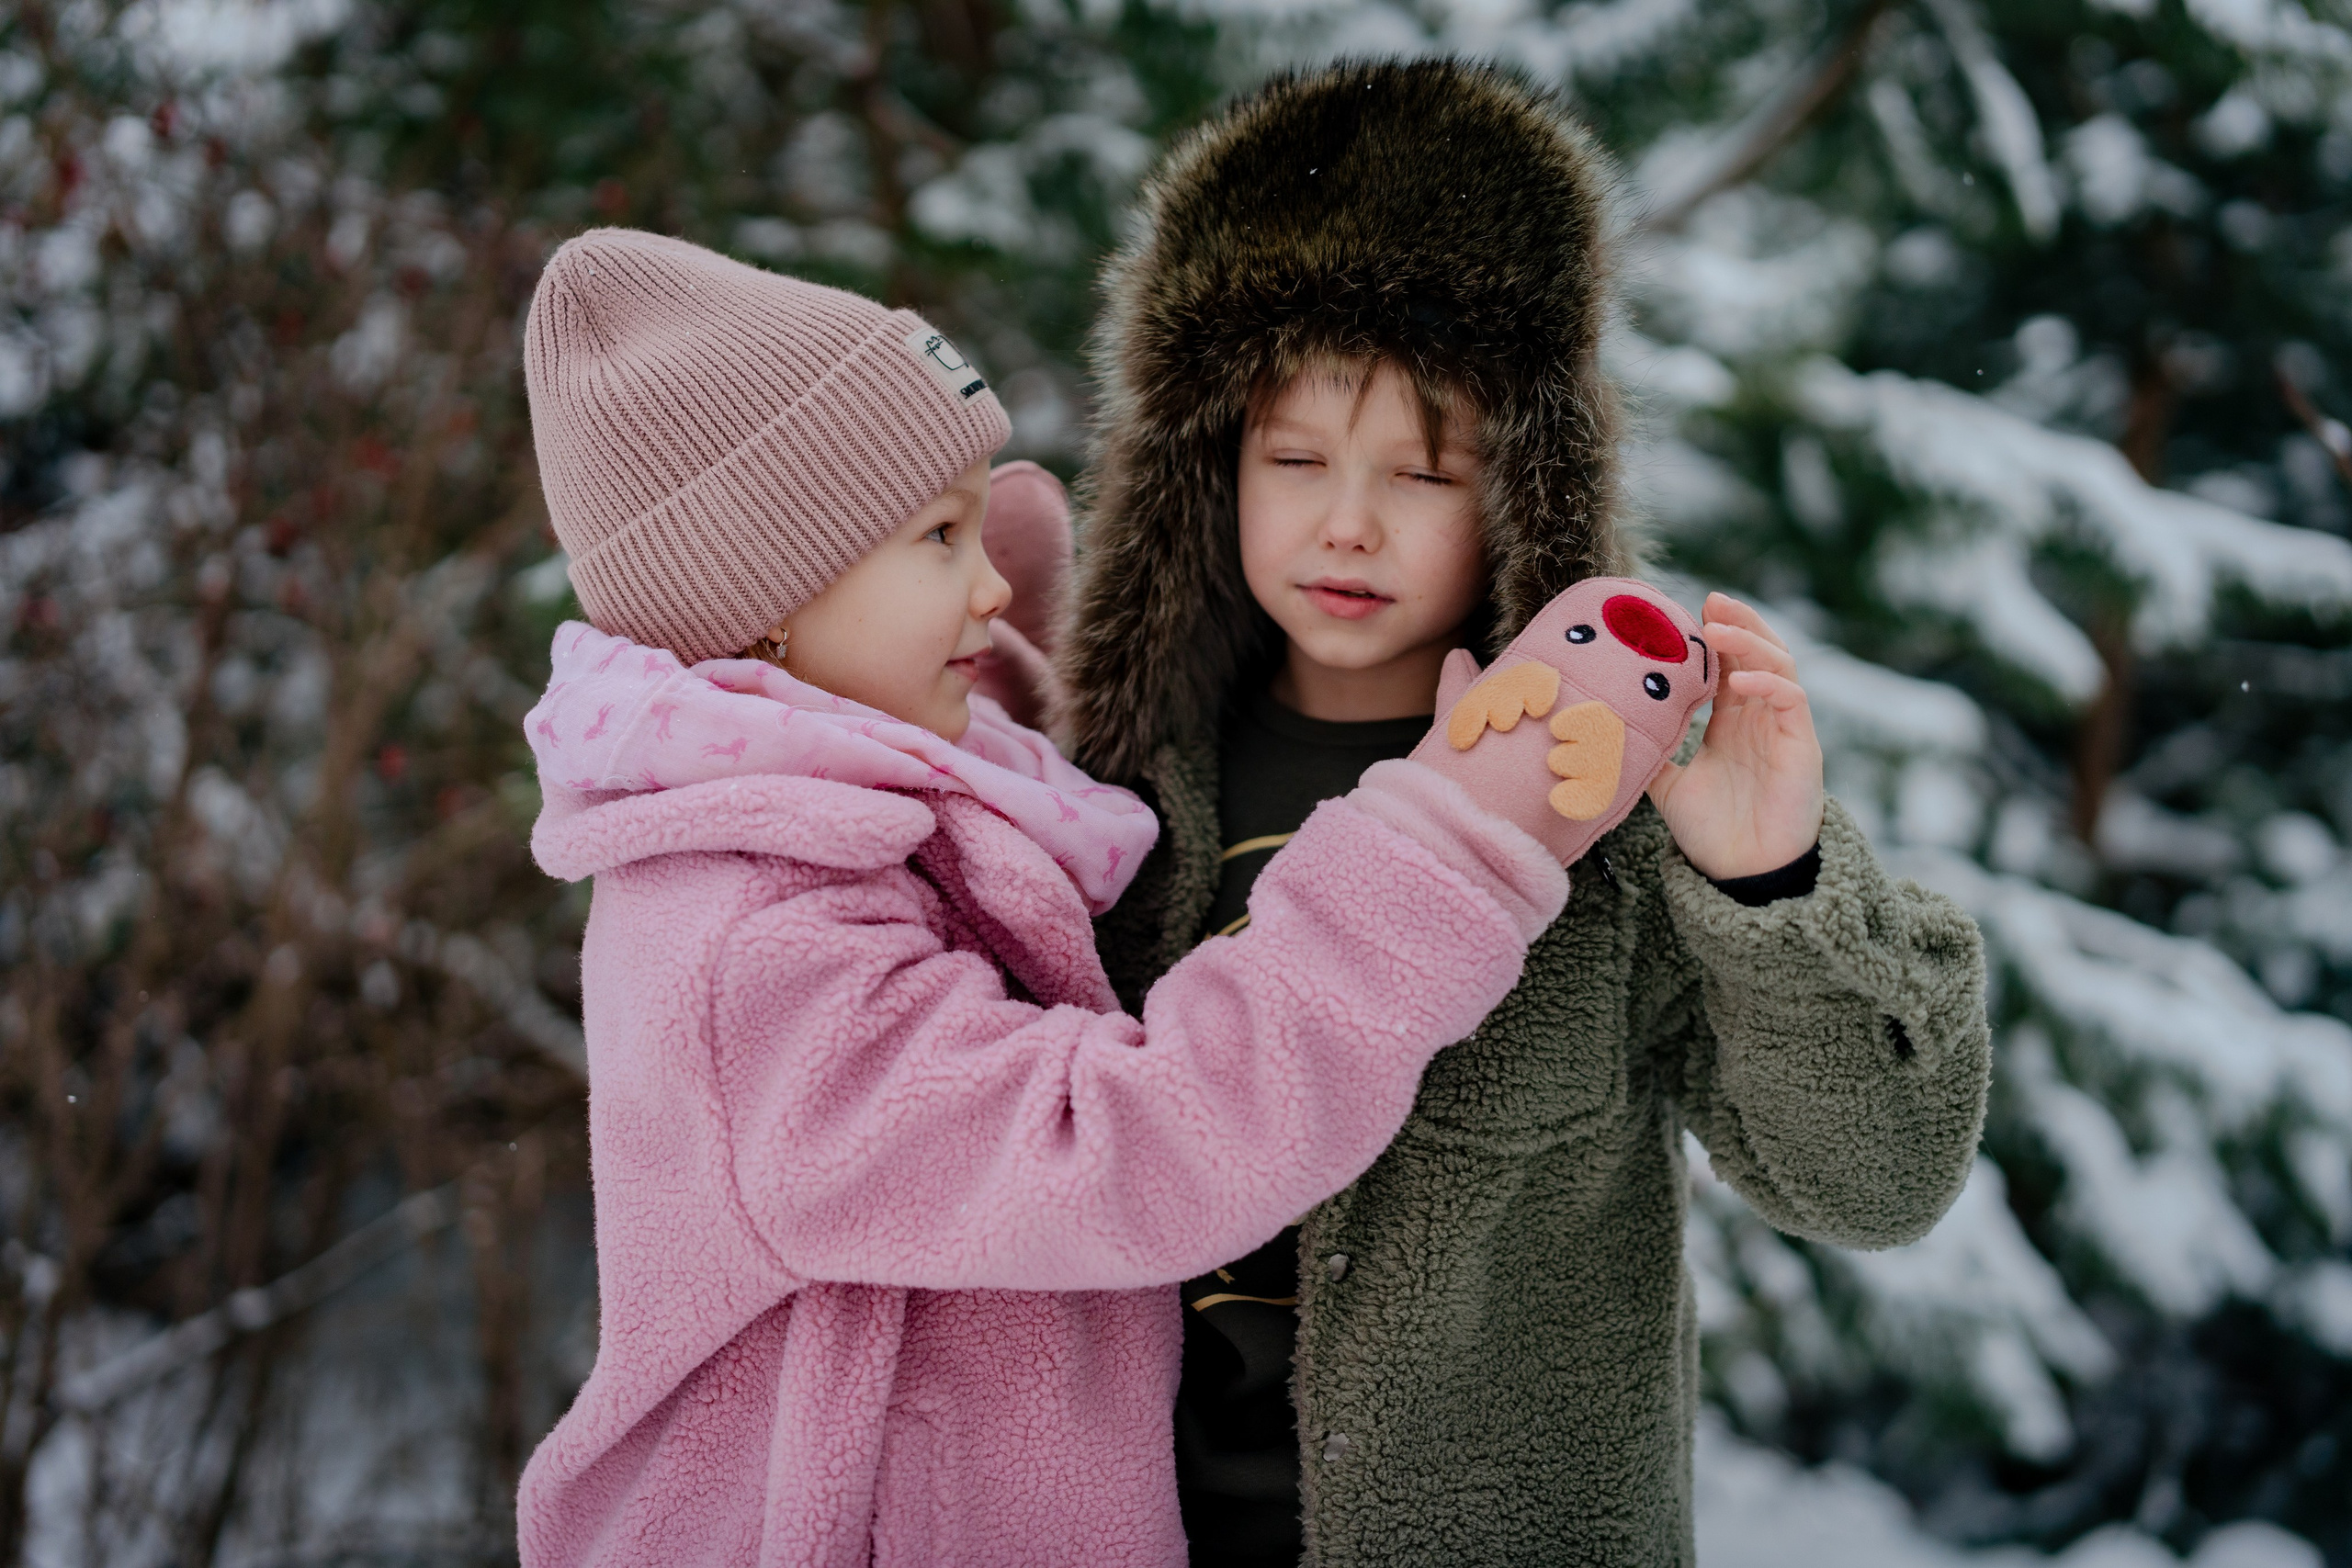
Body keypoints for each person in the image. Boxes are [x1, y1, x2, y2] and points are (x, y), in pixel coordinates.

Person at [510, 228, 1610, 1566]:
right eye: (936, 538)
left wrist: (992, 690)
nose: (986, 583)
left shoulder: (829, 807)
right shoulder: (754, 949)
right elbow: (1126, 1146)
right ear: (772, 600)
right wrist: (1445, 853)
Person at [1055, 60, 1995, 1567]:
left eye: (1425, 472)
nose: (1346, 521)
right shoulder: (1107, 821)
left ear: (1524, 494)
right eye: (1293, 458)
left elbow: (1873, 1180)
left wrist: (1771, 884)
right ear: (1202, 468)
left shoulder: (1615, 827)